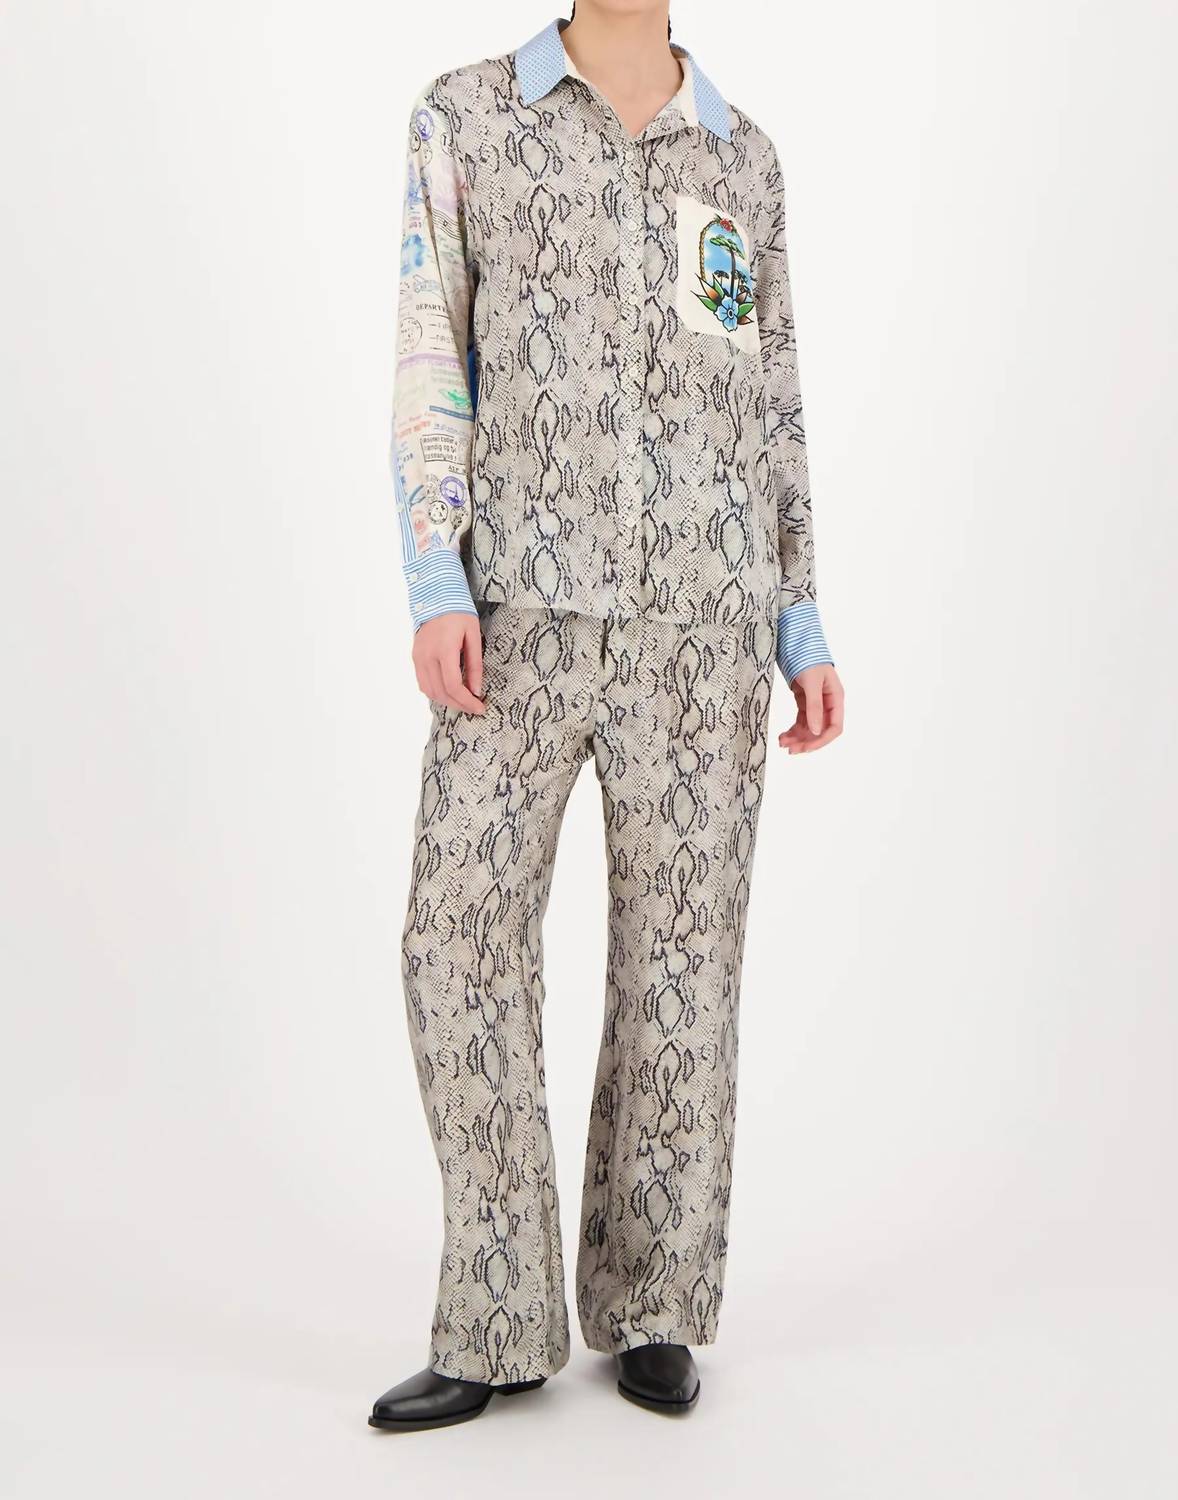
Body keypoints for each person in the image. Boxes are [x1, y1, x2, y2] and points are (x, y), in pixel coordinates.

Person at [370, 0, 845, 1432]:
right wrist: (435, 578)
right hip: (513, 616)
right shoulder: (466, 115)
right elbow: (430, 359)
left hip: (704, 625)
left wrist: (799, 617)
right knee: (454, 937)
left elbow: (769, 399)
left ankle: (655, 1303)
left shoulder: (741, 158)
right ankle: (499, 1309)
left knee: (682, 969)